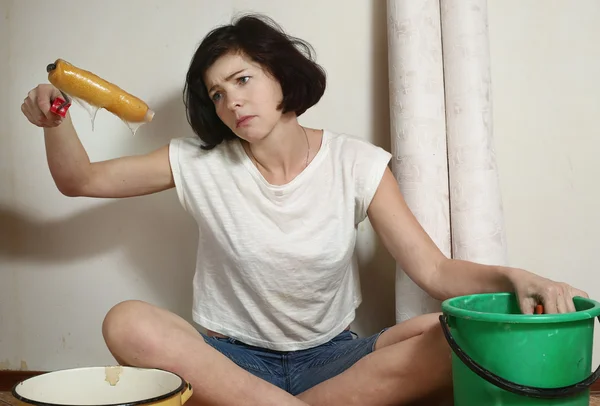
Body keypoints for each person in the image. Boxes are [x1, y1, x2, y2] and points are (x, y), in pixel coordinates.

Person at [22, 13, 588, 406]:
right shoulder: (198, 162)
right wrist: (56, 121)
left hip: (336, 360)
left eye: (242, 79)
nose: (232, 100)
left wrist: (516, 275)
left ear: (280, 77)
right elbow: (80, 180)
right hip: (229, 363)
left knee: (457, 339)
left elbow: (435, 271)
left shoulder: (356, 164)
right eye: (217, 93)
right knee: (126, 321)